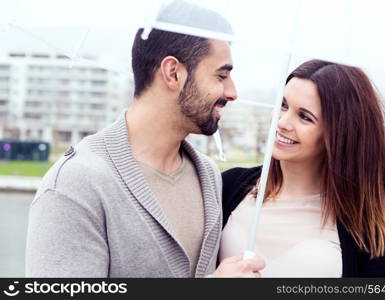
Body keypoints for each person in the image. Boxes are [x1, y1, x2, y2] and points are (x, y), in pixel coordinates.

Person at [26, 0, 264, 278]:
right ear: (173, 72)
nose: (232, 92)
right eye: (221, 75)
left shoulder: (208, 175)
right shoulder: (75, 184)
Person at [220, 59, 385, 277]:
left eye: (304, 117)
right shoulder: (227, 187)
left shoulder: (365, 230)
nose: (282, 122)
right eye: (283, 105)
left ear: (339, 135)